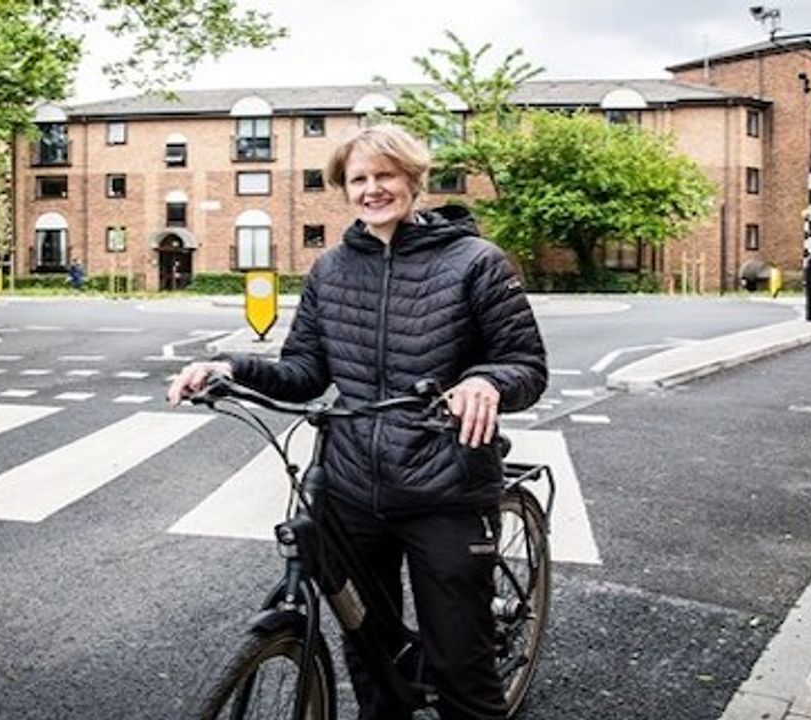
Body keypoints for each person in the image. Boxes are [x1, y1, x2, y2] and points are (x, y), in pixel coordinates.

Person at [168, 123, 547, 719]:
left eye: (385, 176)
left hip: (444, 486)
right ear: (345, 189)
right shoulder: (331, 268)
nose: (372, 189)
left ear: (414, 180)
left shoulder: (476, 262)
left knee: (461, 673)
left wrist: (485, 381)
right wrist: (226, 367)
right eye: (359, 179)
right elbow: (304, 371)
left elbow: (526, 365)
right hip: (349, 486)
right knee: (370, 658)